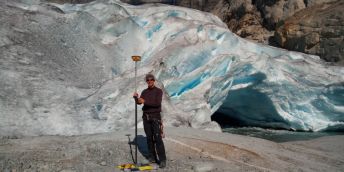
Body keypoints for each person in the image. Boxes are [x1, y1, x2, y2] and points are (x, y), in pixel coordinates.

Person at [133, 74, 167, 168]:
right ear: (146, 81)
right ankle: (152, 157)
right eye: (148, 80)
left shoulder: (158, 91)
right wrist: (136, 98)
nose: (150, 81)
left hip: (155, 118)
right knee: (149, 138)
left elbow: (157, 103)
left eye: (151, 79)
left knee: (158, 139)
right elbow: (140, 103)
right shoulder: (144, 91)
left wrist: (144, 101)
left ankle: (162, 160)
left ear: (154, 80)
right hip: (146, 118)